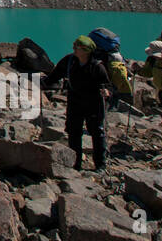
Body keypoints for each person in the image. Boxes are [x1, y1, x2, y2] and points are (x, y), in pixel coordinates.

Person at [43, 35, 112, 171]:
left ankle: (100, 164)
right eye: (74, 46)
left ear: (86, 50)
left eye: (77, 47)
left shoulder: (97, 66)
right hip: (75, 100)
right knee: (74, 131)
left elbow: (107, 85)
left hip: (93, 102)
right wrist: (45, 83)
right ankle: (75, 163)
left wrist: (107, 92)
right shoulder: (69, 61)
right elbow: (56, 74)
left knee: (96, 132)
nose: (74, 49)